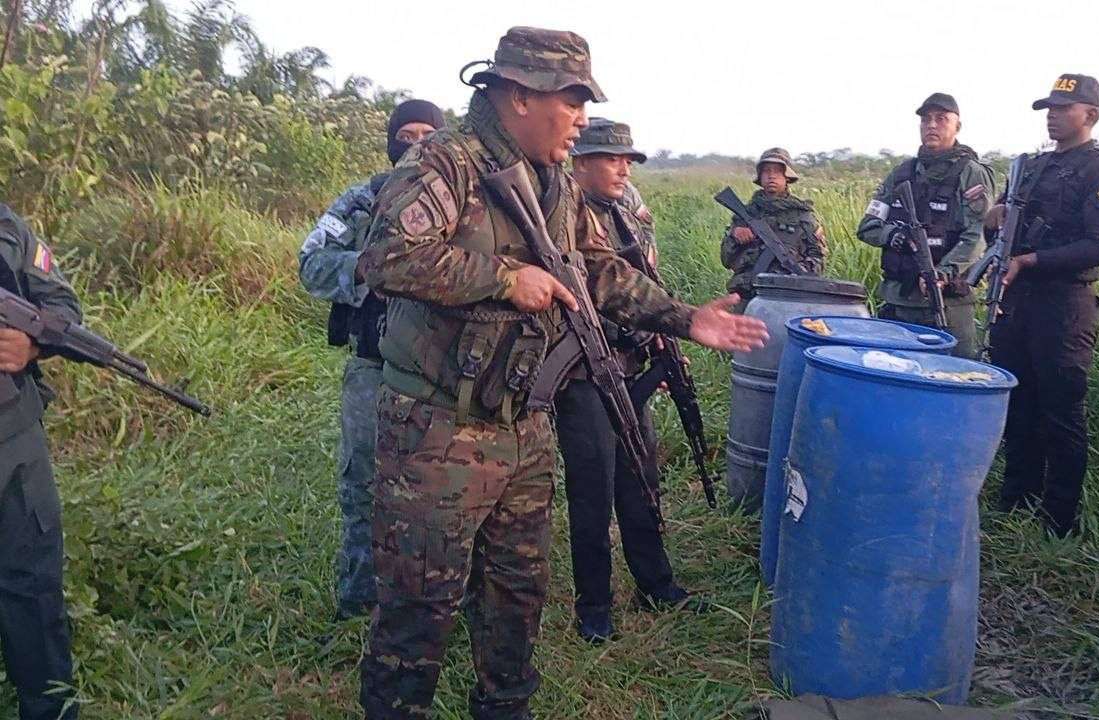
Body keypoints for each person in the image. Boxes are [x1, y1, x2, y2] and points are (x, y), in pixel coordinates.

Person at [354, 26, 768, 719]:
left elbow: (593, 267)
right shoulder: (447, 163)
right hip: (437, 433)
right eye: (572, 101)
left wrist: (684, 317)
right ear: (519, 96)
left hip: (524, 423)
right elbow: (386, 258)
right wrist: (504, 277)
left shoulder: (554, 182)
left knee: (518, 596)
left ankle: (505, 706)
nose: (582, 119)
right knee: (420, 608)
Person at [298, 99, 444, 621]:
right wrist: (371, 267)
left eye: (428, 133)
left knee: (441, 488)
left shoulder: (468, 201)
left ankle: (437, 603)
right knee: (364, 481)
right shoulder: (364, 200)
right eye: (406, 135)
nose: (417, 144)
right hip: (373, 364)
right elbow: (311, 265)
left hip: (443, 374)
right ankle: (360, 599)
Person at [557, 117, 695, 644]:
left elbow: (643, 278)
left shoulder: (626, 209)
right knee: (593, 488)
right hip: (584, 369)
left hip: (630, 363)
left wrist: (659, 337)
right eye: (611, 159)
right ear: (581, 162)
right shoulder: (561, 210)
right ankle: (594, 604)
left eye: (627, 160)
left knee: (642, 476)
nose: (622, 168)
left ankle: (654, 583)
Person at [985, 74, 1099, 537]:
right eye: (1049, 107)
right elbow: (1005, 233)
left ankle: (1059, 517)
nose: (1052, 114)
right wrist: (994, 222)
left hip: (1065, 305)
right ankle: (1016, 496)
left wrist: (1033, 259)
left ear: (1091, 115)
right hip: (1018, 297)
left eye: (1063, 108)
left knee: (1061, 410)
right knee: (1017, 400)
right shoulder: (1033, 167)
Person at [0, 203, 82, 719]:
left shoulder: (8, 229)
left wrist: (31, 344)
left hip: (12, 441)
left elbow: (63, 306)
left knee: (34, 593)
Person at [856, 92, 994, 358]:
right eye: (926, 120)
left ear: (957, 126)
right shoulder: (901, 174)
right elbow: (868, 226)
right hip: (898, 301)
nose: (932, 125)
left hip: (947, 303)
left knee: (951, 379)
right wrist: (893, 235)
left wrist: (942, 273)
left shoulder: (971, 172)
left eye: (941, 119)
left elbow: (978, 236)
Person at [720, 148, 827, 308]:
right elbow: (726, 259)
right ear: (760, 177)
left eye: (777, 171)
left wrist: (799, 272)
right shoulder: (746, 214)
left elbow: (818, 257)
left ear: (787, 177)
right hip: (748, 297)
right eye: (766, 171)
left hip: (789, 297)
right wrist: (735, 237)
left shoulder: (804, 217)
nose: (771, 176)